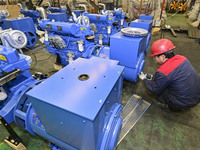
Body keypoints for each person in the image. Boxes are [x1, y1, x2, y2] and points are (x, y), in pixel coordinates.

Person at [139, 39, 200, 111]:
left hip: (182, 103)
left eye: (156, 57)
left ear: (163, 57)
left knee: (160, 91)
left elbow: (154, 89)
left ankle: (169, 105)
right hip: (196, 97)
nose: (155, 59)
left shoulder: (163, 71)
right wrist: (154, 78)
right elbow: (173, 75)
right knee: (163, 82)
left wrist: (145, 80)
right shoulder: (182, 58)